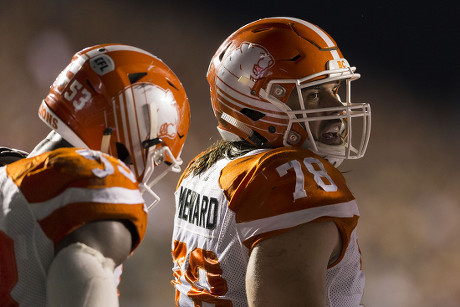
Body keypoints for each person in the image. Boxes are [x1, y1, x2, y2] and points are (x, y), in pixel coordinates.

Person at [171, 17, 371, 306]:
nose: (337, 109)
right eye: (313, 95)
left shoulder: (203, 169)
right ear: (256, 106)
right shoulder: (292, 178)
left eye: (335, 90)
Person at [0, 43, 190, 306]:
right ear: (135, 135)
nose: (151, 168)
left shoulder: (8, 171)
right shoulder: (89, 186)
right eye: (158, 157)